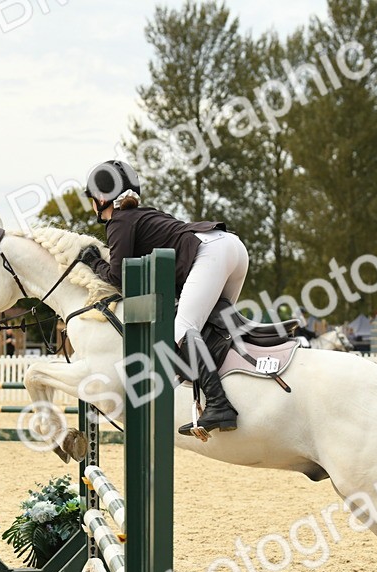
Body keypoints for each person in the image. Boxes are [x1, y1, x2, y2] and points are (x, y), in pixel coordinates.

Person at [76, 160, 249, 437]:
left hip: (211, 253)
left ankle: (219, 404)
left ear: (101, 197)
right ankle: (241, 386)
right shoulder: (144, 214)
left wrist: (94, 263)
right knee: (214, 328)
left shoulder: (119, 220)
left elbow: (119, 277)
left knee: (183, 329)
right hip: (231, 247)